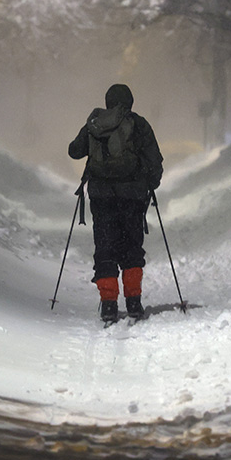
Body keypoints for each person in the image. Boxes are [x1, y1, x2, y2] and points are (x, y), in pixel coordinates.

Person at [68, 84, 163, 323]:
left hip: (101, 197)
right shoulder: (139, 124)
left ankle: (109, 305)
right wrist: (151, 183)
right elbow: (154, 159)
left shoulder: (96, 122)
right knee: (132, 246)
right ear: (130, 101)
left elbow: (74, 151)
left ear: (108, 101)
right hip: (133, 196)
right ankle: (133, 302)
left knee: (105, 247)